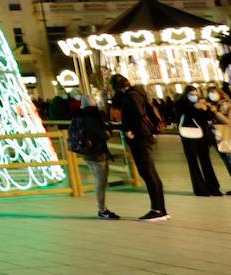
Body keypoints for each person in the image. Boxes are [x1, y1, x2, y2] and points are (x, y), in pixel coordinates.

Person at [109, 73, 168, 221]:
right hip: (144, 135)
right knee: (150, 172)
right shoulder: (138, 93)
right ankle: (161, 208)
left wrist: (129, 129)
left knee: (148, 173)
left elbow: (137, 113)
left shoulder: (130, 96)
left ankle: (157, 209)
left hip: (139, 136)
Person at [69, 92, 118, 220]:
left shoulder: (79, 116)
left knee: (99, 181)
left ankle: (102, 209)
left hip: (88, 153)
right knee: (100, 182)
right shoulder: (92, 117)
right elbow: (104, 135)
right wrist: (108, 130)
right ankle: (102, 210)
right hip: (98, 154)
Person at [176, 85, 223, 197]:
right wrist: (194, 108)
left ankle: (214, 187)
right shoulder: (180, 104)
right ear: (186, 95)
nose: (194, 96)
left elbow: (206, 119)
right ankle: (200, 189)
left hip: (202, 136)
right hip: (189, 137)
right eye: (191, 94)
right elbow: (181, 117)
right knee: (193, 162)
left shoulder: (201, 102)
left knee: (206, 161)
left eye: (196, 94)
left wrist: (207, 109)